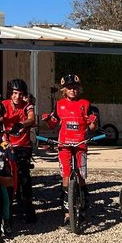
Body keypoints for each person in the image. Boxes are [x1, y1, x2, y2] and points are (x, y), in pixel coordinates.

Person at [42, 74, 98, 225]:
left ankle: (84, 205)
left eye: (75, 88)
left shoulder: (86, 104)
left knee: (81, 176)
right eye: (69, 88)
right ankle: (67, 213)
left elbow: (92, 127)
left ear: (79, 89)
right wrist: (47, 119)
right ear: (64, 90)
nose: (72, 90)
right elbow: (54, 124)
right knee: (66, 177)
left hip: (81, 143)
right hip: (64, 145)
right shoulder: (59, 104)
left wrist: (93, 122)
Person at [1, 79, 37, 224]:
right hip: (6, 144)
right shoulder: (3, 105)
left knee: (24, 176)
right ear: (10, 93)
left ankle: (28, 206)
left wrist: (21, 124)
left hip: (23, 145)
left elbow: (32, 119)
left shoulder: (27, 105)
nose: (17, 96)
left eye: (20, 94)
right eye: (14, 93)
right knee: (3, 173)